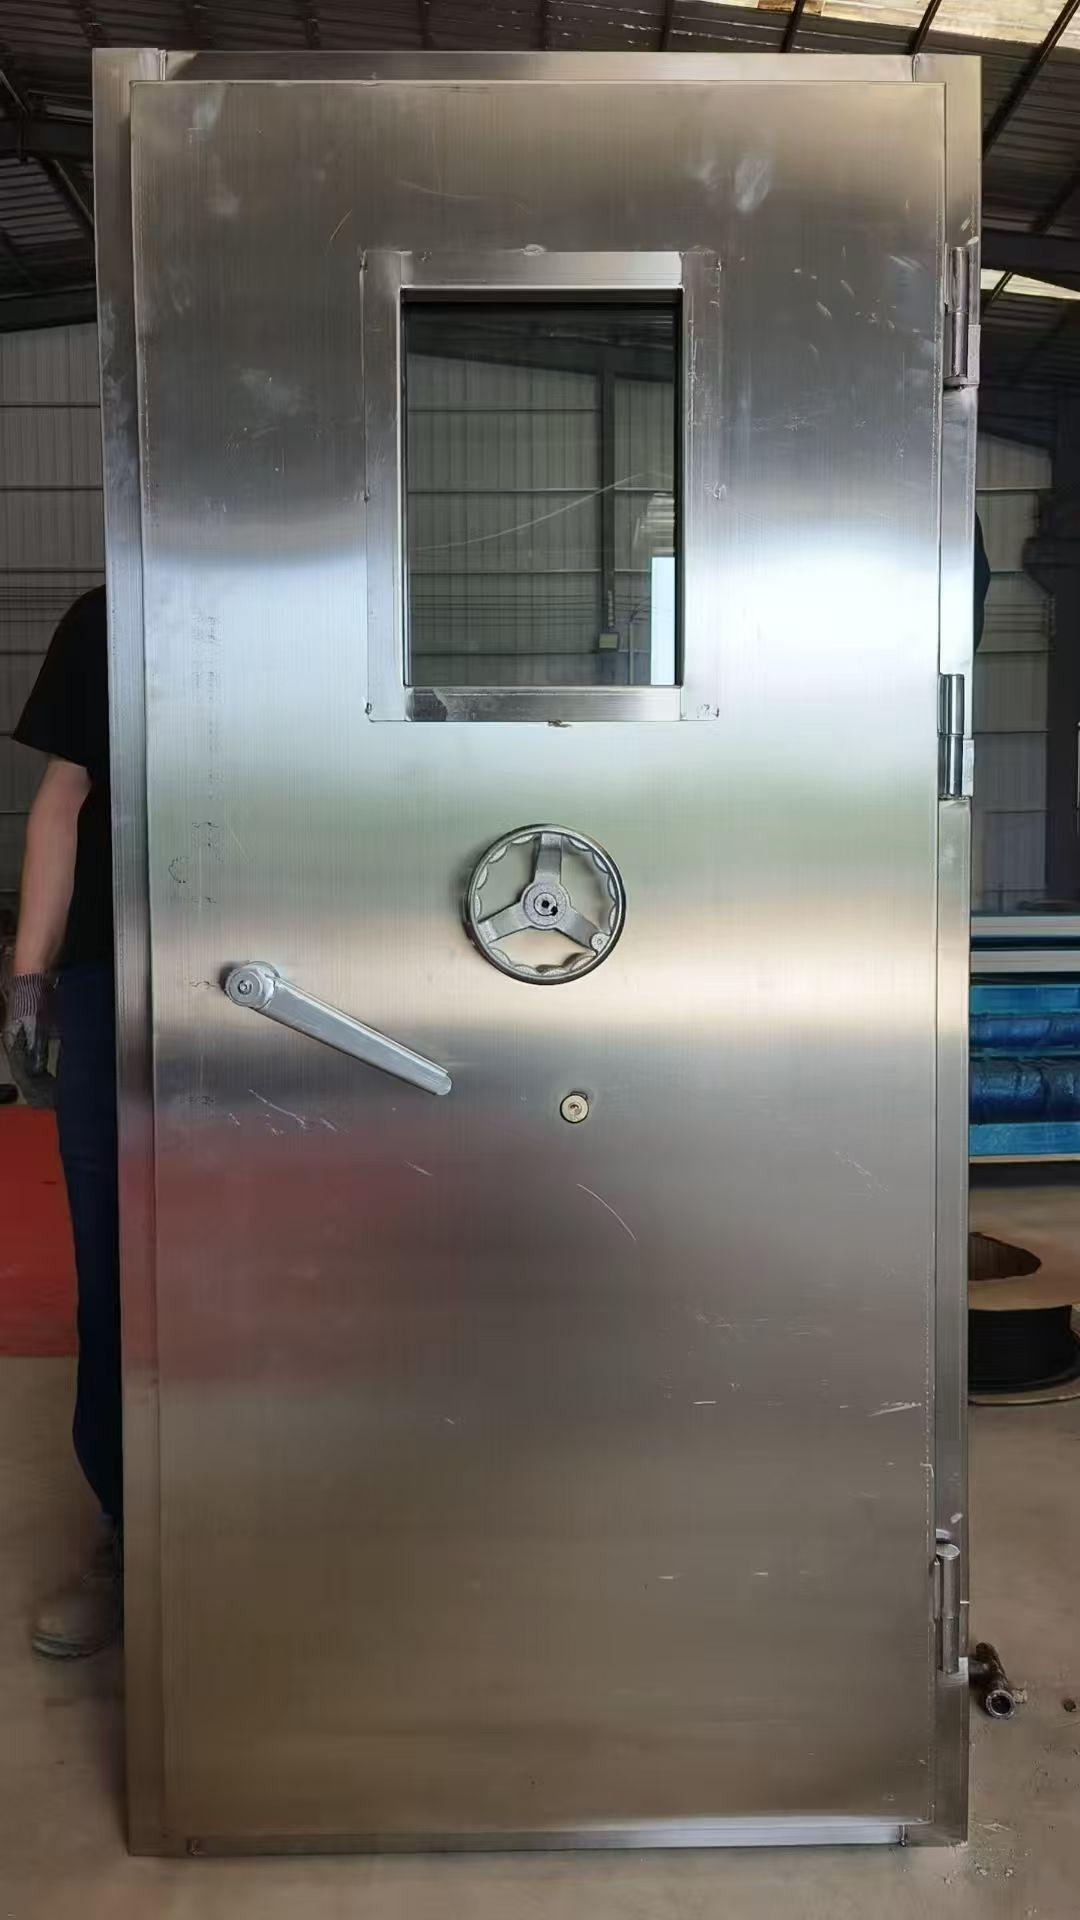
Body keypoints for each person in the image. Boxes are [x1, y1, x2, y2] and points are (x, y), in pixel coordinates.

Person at [2, 584, 122, 1658]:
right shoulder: (107, 617)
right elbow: (63, 798)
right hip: (112, 982)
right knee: (115, 1268)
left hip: (287, 973)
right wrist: (31, 981)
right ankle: (131, 1531)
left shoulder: (337, 604)